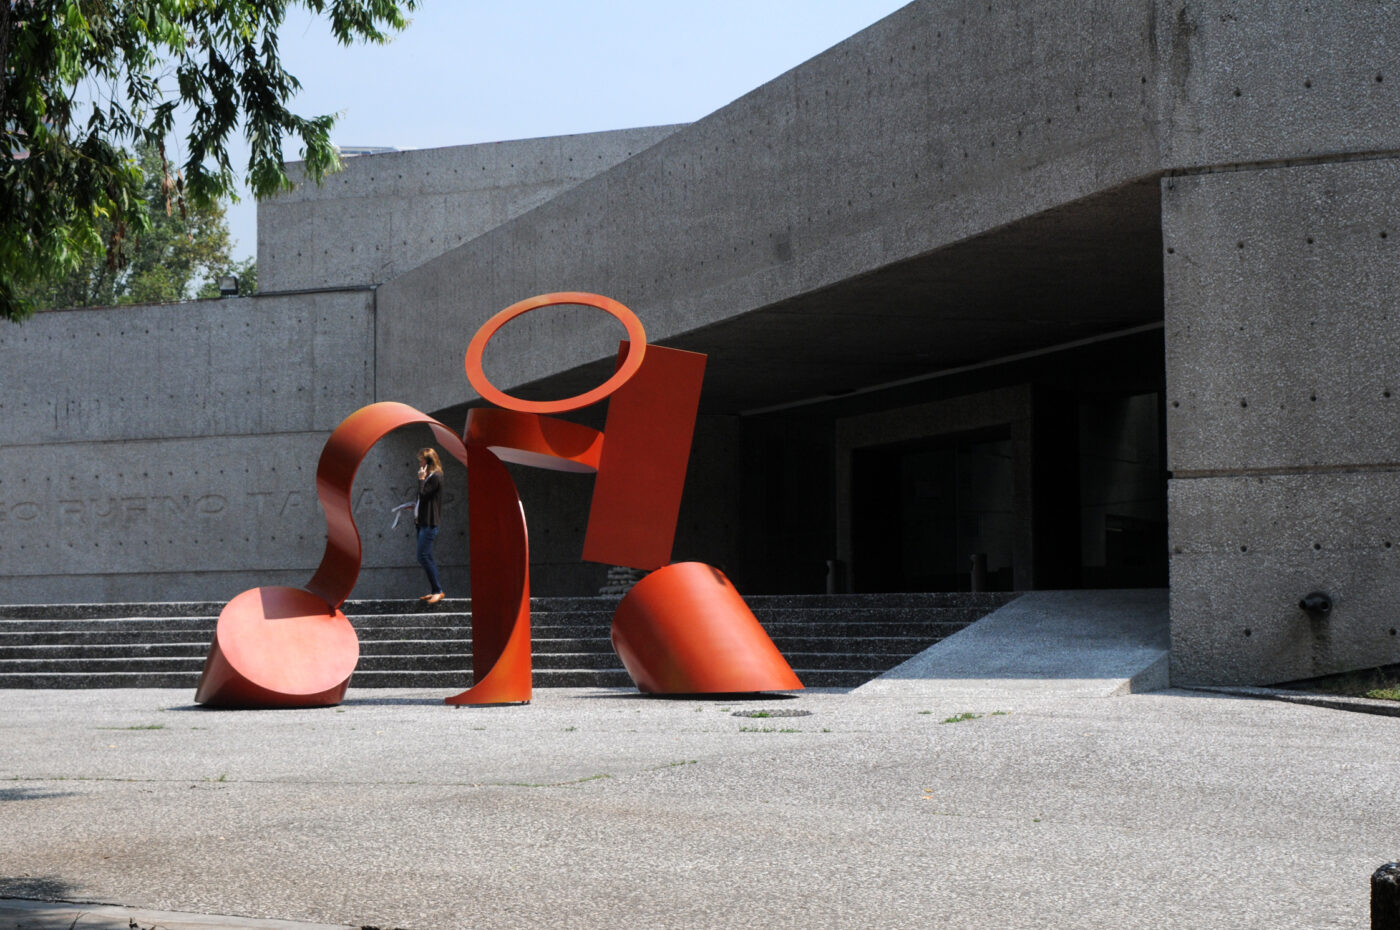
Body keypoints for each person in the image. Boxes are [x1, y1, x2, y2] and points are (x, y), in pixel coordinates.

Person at [414, 447, 445, 604]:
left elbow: (424, 495)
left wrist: (420, 479)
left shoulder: (436, 477)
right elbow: (423, 499)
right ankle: (435, 589)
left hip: (429, 523)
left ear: (429, 461)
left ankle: (438, 590)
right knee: (427, 556)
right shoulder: (430, 476)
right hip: (422, 522)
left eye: (422, 460)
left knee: (423, 556)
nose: (420, 463)